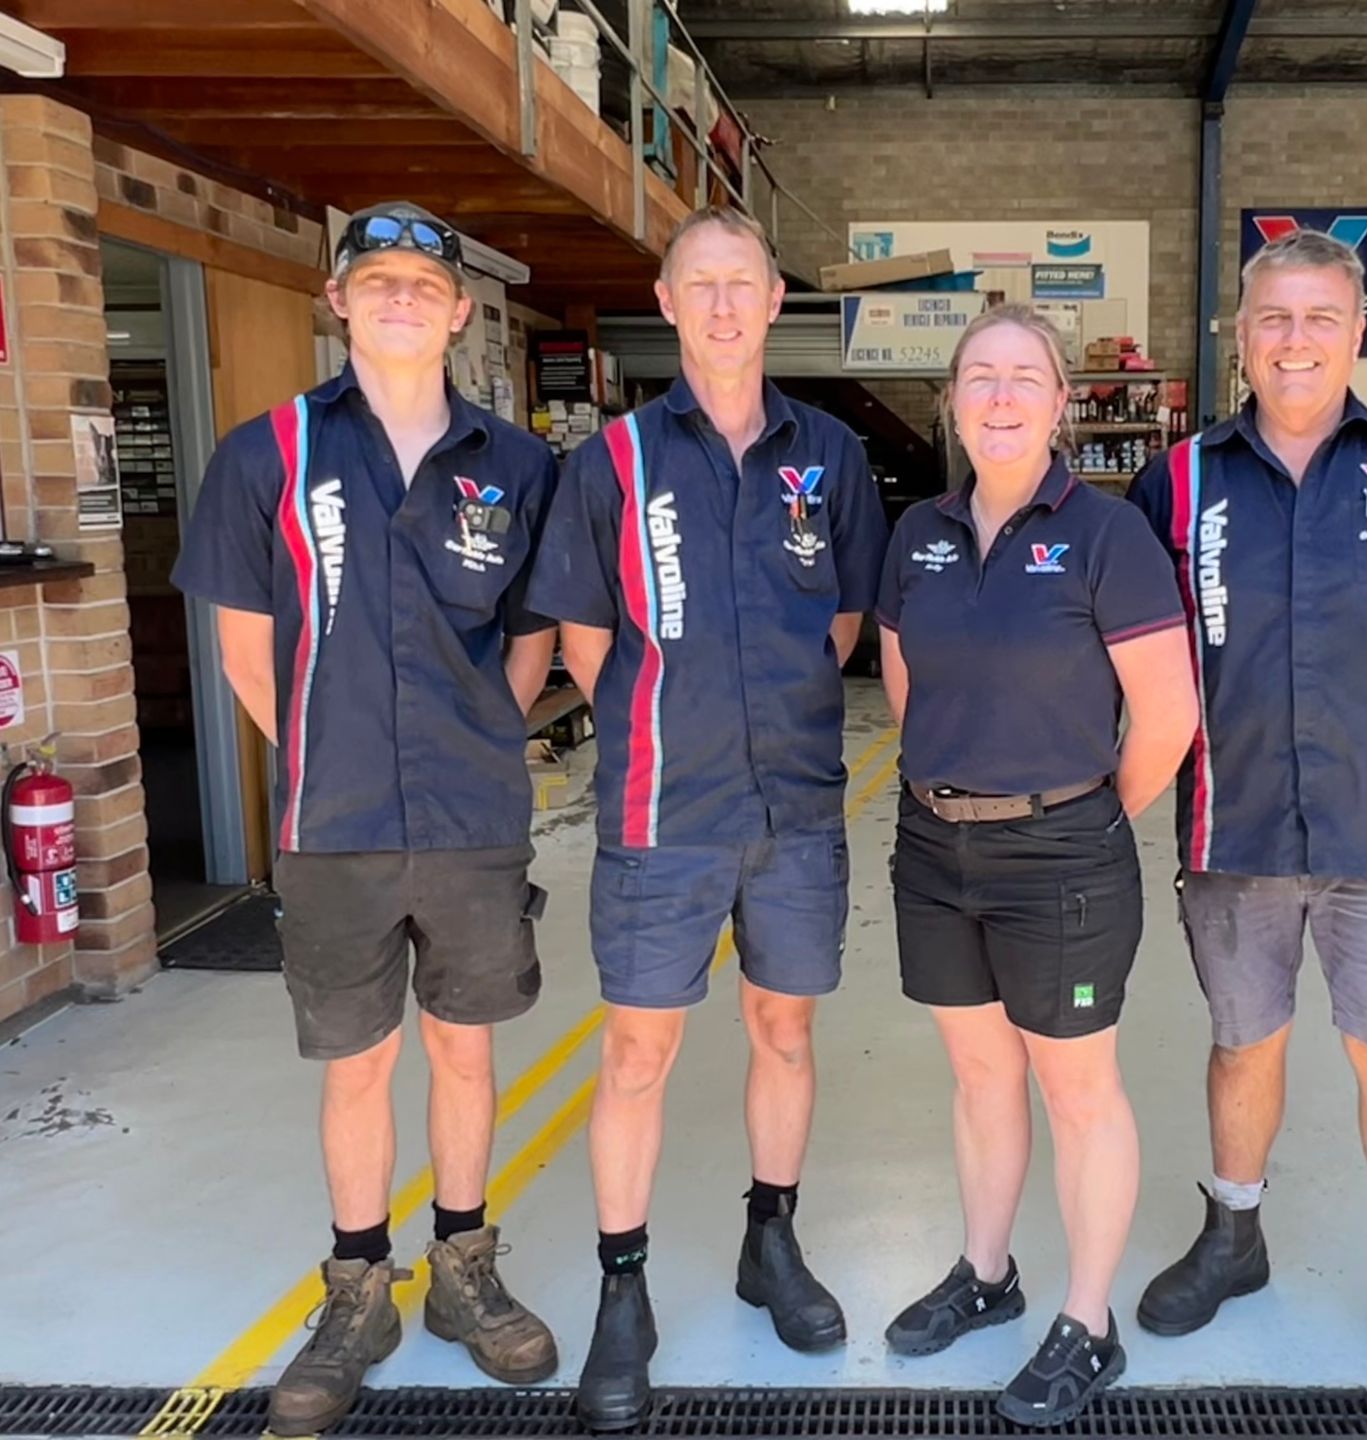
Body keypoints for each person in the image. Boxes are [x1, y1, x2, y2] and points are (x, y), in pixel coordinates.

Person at [172, 201, 561, 1436]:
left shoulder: (519, 466)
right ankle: (357, 1292)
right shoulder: (267, 454)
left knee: (465, 1048)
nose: (400, 297)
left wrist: (471, 738)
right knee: (358, 1062)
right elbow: (245, 652)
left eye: (423, 284)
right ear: (337, 300)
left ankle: (462, 1267)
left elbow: (534, 637)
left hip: (471, 818)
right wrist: (331, 753)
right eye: (376, 278)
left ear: (460, 312)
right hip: (331, 819)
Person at [1126, 229, 1367, 1410]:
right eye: (1272, 318)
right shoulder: (1177, 483)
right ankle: (1233, 1237)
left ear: (1357, 333)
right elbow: (1137, 649)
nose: (1293, 339)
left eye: (1318, 318)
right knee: (1242, 1044)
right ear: (1240, 336)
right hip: (1234, 824)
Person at [525, 208, 888, 1429]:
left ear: (775, 299)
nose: (725, 304)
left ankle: (769, 1242)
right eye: (702, 285)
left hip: (796, 803)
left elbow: (842, 620)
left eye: (744, 283)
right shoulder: (611, 463)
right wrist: (673, 719)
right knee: (637, 1053)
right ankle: (622, 1292)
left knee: (783, 1031)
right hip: (659, 807)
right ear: (668, 302)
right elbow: (586, 638)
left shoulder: (829, 455)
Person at [877, 305, 1198, 1428]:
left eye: (1026, 376)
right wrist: (964, 790)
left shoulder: (1107, 537)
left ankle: (1088, 1323)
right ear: (953, 402)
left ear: (1061, 402)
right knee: (979, 1077)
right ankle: (987, 1274)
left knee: (1077, 1090)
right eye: (981, 376)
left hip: (1061, 853)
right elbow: (907, 682)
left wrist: (1082, 816)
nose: (1002, 396)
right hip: (934, 847)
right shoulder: (917, 535)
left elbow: (1167, 714)